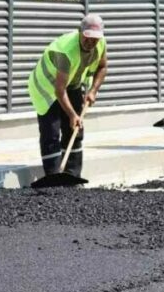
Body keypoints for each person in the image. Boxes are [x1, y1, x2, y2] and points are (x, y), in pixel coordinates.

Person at [27, 14, 109, 179]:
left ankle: (72, 175)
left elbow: (102, 67)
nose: (91, 42)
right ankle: (53, 176)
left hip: (71, 84)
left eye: (95, 39)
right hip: (47, 87)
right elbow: (59, 90)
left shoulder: (100, 44)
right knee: (51, 131)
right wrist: (72, 115)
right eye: (87, 37)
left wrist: (93, 90)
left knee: (75, 130)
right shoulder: (65, 50)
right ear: (80, 32)